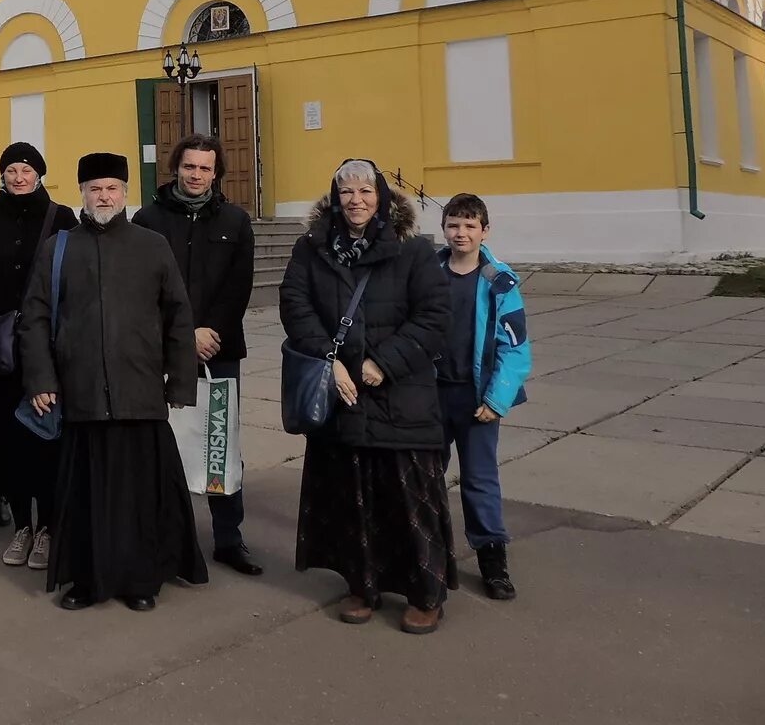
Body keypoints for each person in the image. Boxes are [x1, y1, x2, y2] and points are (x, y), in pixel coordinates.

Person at [20, 152, 207, 611]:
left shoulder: (151, 245)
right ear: (81, 193)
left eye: (112, 188)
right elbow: (35, 318)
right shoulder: (58, 247)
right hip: (81, 393)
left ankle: (141, 581)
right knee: (85, 497)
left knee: (139, 497)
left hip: (139, 393)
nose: (104, 196)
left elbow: (179, 316)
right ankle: (87, 580)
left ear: (125, 192)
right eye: (95, 188)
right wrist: (42, 377)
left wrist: (181, 382)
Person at [280, 159, 455, 634]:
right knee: (352, 496)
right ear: (334, 198)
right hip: (340, 395)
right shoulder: (312, 248)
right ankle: (362, 583)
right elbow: (295, 306)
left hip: (400, 396)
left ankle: (425, 592)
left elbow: (435, 315)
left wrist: (385, 363)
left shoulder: (413, 252)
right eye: (346, 192)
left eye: (365, 192)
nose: (355, 201)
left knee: (408, 497)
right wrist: (328, 360)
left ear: (380, 196)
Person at [132, 134, 261, 576]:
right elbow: (143, 286)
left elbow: (238, 286)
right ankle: (166, 538)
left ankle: (229, 537)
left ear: (216, 172)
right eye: (190, 166)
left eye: (205, 168)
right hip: (163, 349)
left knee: (219, 441)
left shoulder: (235, 221)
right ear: (176, 168)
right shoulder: (147, 219)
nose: (196, 175)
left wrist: (210, 332)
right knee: (165, 442)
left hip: (220, 349)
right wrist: (183, 334)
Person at [0, 142, 76, 568]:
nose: (19, 176)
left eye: (27, 169)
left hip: (46, 348)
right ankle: (22, 526)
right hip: (0, 351)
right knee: (8, 443)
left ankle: (49, 526)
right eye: (12, 169)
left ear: (39, 173)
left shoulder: (62, 217)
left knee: (46, 437)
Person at [436, 193, 531, 602]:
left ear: (484, 231)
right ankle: (430, 552)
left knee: (479, 480)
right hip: (431, 395)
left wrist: (497, 400)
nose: (461, 233)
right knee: (424, 478)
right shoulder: (429, 273)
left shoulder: (499, 281)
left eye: (470, 226)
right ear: (444, 229)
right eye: (454, 225)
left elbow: (515, 348)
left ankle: (493, 560)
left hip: (477, 401)